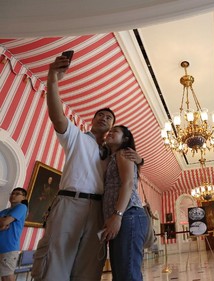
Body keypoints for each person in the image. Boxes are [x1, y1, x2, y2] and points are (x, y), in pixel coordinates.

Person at [31, 55, 143, 281]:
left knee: (90, 267)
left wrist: (139, 160)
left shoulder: (114, 155)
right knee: (55, 263)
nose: (104, 118)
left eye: (109, 117)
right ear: (92, 121)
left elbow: (127, 180)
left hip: (100, 211)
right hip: (70, 203)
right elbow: (57, 115)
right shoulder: (76, 138)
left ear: (113, 127)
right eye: (99, 115)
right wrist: (53, 80)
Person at [101, 125, 147, 281]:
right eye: (110, 130)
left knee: (127, 274)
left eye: (116, 131)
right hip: (123, 216)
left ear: (125, 139)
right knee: (122, 273)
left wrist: (117, 215)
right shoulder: (112, 157)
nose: (110, 132)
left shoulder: (123, 153)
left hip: (128, 215)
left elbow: (127, 183)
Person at [0, 188, 28, 281]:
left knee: (7, 277)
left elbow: (5, 221)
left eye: (17, 194)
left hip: (9, 248)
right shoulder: (4, 211)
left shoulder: (21, 207)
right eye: (12, 193)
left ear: (23, 197)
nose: (13, 195)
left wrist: (4, 221)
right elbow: (4, 223)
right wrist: (3, 222)